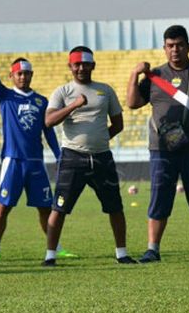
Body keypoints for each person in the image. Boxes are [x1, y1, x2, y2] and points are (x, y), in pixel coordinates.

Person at [126, 25, 189, 263]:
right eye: (170, 46)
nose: (175, 50)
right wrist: (135, 74)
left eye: (180, 45)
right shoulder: (154, 77)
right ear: (164, 48)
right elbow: (132, 103)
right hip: (162, 150)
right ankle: (153, 248)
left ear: (188, 47)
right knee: (160, 197)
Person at [0, 34, 76, 261]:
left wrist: (58, 154)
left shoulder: (41, 101)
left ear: (31, 75)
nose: (23, 76)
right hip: (13, 160)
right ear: (12, 76)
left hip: (35, 163)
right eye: (19, 73)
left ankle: (56, 247)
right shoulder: (5, 96)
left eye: (26, 73)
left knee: (45, 209)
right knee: (3, 207)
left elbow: (48, 129)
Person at [42, 46, 137, 266]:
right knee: (59, 207)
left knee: (115, 206)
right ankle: (50, 256)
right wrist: (74, 105)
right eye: (77, 64)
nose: (81, 68)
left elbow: (118, 124)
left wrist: (100, 138)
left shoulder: (105, 90)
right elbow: (49, 121)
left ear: (93, 65)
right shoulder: (62, 92)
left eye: (86, 64)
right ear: (70, 66)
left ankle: (122, 253)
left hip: (102, 157)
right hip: (72, 158)